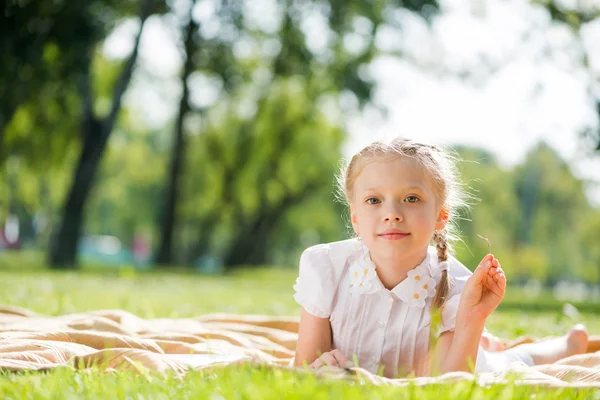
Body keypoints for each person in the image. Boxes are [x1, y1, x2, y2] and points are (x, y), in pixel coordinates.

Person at [292, 138, 588, 378]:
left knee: (505, 364)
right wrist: (323, 370)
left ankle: (565, 344)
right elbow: (304, 366)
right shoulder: (326, 267)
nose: (392, 213)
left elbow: (451, 383)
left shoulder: (455, 286)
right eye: (374, 200)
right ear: (355, 218)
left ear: (441, 216)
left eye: (411, 198)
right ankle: (490, 341)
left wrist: (472, 319)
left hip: (451, 358)